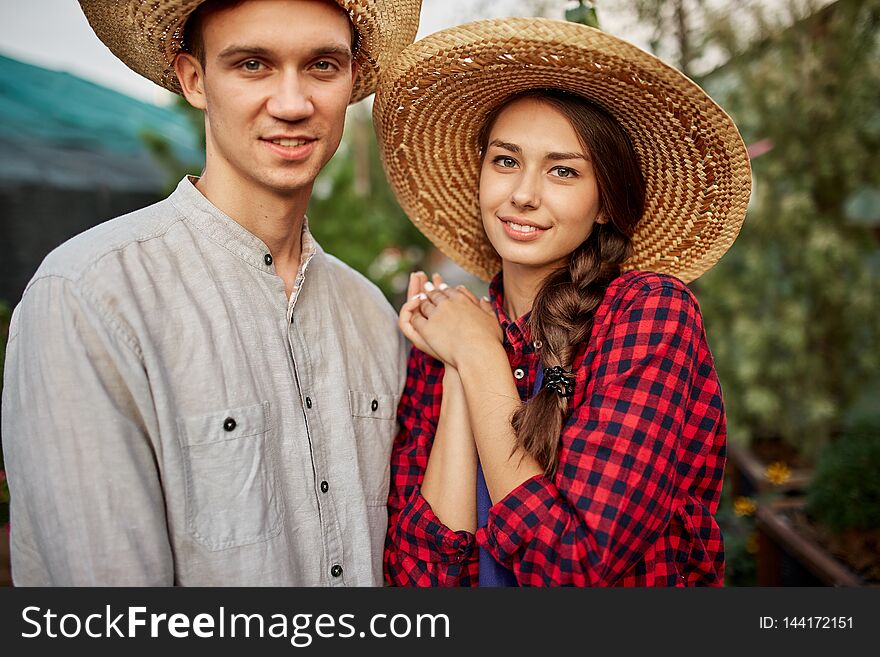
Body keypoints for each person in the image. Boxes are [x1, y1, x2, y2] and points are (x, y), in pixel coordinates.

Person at [1, 0, 421, 586]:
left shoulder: (370, 314)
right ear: (195, 80)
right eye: (253, 64)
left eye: (322, 65)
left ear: (352, 79)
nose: (294, 103)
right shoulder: (89, 296)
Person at [374, 17, 752, 586]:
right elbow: (419, 580)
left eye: (563, 171)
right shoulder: (454, 331)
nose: (523, 195)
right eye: (505, 161)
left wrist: (479, 359)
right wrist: (459, 364)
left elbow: (573, 567)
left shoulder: (647, 315)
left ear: (604, 203)